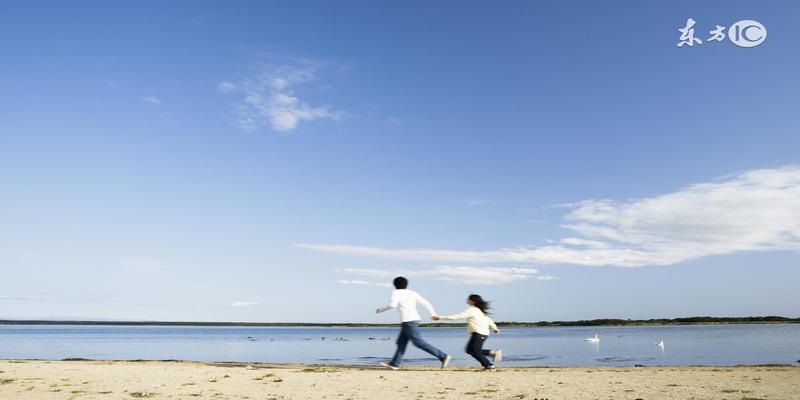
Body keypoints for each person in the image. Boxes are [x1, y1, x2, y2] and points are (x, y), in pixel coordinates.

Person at [376, 276, 451, 370]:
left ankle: (443, 356)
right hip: (413, 320)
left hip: (409, 321)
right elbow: (426, 303)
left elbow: (393, 305)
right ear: (406, 285)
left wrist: (380, 310)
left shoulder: (396, 292)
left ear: (395, 285)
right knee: (401, 342)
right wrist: (433, 314)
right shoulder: (412, 293)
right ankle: (395, 364)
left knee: (418, 342)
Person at [433, 294, 502, 371]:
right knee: (469, 350)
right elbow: (489, 320)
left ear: (473, 301)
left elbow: (456, 316)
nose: (467, 300)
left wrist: (440, 317)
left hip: (479, 333)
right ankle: (493, 353)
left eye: (468, 299)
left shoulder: (472, 310)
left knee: (475, 351)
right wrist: (495, 329)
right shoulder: (479, 310)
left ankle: (489, 365)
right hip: (480, 333)